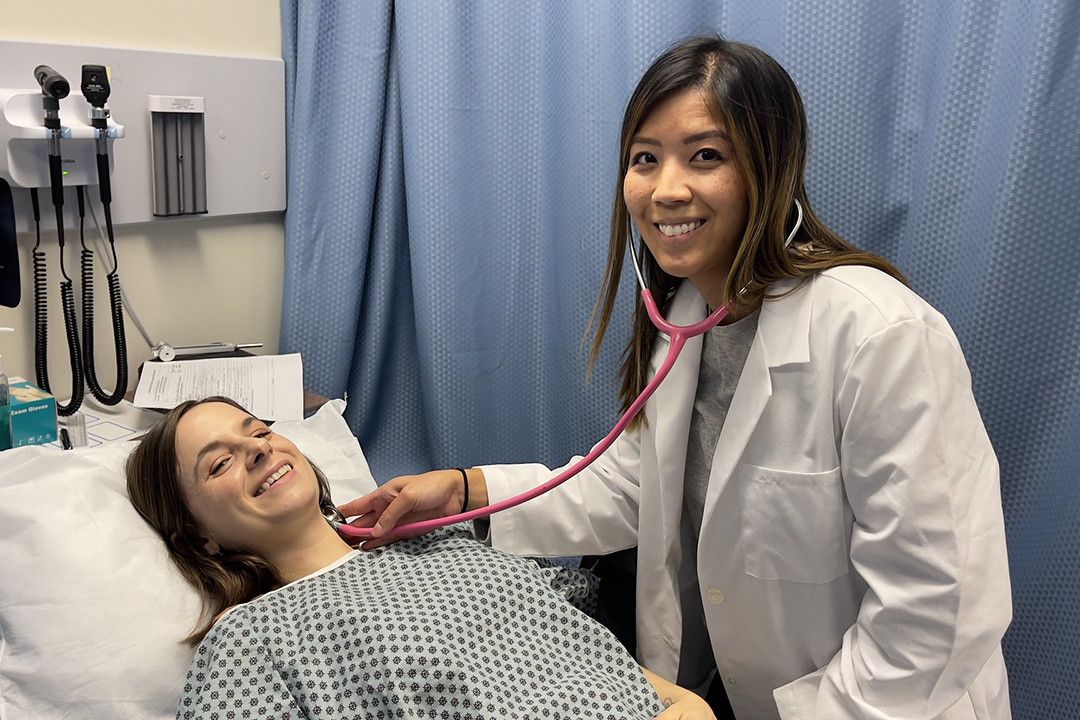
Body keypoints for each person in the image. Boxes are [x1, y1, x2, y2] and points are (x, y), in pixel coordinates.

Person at [339, 35, 1013, 720]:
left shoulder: (880, 336)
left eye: (706, 156)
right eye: (644, 159)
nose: (666, 190)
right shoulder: (687, 317)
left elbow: (938, 613)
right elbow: (636, 488)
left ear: (770, 167)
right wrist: (463, 492)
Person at [126, 396, 717, 720]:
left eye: (257, 429)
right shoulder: (249, 640)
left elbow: (582, 649)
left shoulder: (436, 541)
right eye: (219, 463)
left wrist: (682, 704)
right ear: (199, 538)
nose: (256, 449)